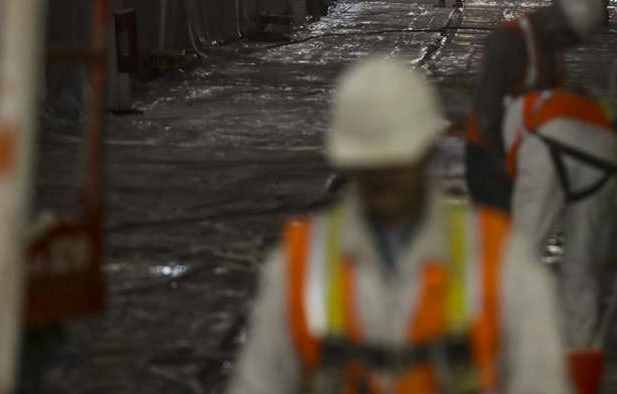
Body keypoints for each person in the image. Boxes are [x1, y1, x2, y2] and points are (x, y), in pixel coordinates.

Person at [226, 59, 569, 394]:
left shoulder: (499, 259)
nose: (383, 177)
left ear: (428, 152)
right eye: (371, 162)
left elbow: (540, 379)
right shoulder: (300, 267)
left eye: (396, 160)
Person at [465, 0, 605, 211]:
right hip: (491, 155)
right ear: (558, 23)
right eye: (569, 38)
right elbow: (486, 109)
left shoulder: (550, 45)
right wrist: (502, 160)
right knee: (496, 233)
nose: (569, 46)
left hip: (523, 152)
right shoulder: (510, 41)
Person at [502, 88, 617, 349]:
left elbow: (514, 165)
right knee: (581, 262)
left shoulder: (517, 108)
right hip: (604, 156)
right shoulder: (579, 103)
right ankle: (580, 347)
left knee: (524, 251)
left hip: (551, 143)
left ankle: (511, 338)